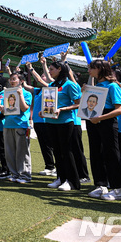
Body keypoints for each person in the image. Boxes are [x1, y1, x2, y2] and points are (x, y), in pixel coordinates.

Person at [85, 59, 121, 201]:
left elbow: (119, 110)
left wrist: (101, 118)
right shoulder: (96, 86)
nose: (89, 71)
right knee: (95, 153)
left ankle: (117, 189)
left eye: (91, 68)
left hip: (107, 122)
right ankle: (101, 185)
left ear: (99, 68)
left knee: (111, 154)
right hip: (93, 122)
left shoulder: (112, 86)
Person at [43, 61, 82, 191]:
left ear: (60, 69)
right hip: (51, 122)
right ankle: (61, 178)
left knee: (67, 151)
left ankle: (72, 181)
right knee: (57, 151)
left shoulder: (70, 85)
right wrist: (43, 111)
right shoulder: (51, 85)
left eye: (51, 69)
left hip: (65, 122)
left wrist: (62, 109)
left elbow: (78, 103)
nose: (49, 71)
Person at [24, 62, 56, 177]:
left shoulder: (51, 88)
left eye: (44, 76)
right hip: (38, 122)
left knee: (51, 144)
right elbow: (26, 86)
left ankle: (56, 167)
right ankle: (49, 166)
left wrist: (31, 69)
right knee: (43, 145)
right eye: (41, 75)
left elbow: (39, 80)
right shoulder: (38, 90)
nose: (42, 77)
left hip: (47, 121)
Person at [2, 71, 33, 183]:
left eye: (14, 79)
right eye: (11, 79)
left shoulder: (26, 94)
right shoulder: (7, 93)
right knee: (9, 151)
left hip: (21, 124)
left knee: (22, 151)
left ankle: (25, 175)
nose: (12, 81)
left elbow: (24, 108)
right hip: (8, 124)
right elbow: (5, 110)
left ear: (21, 81)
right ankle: (14, 174)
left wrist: (20, 95)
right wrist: (0, 107)